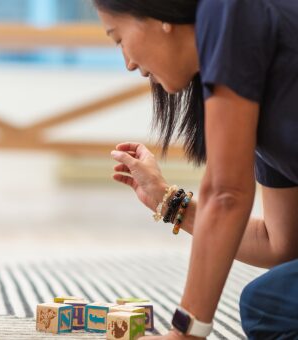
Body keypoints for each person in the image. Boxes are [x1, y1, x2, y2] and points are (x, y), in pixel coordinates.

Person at [92, 0, 298, 339]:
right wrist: (168, 202)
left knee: (267, 304)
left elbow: (227, 194)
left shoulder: (230, 10)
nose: (128, 63)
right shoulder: (250, 91)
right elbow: (280, 244)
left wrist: (183, 333)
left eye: (118, 38)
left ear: (160, 16)